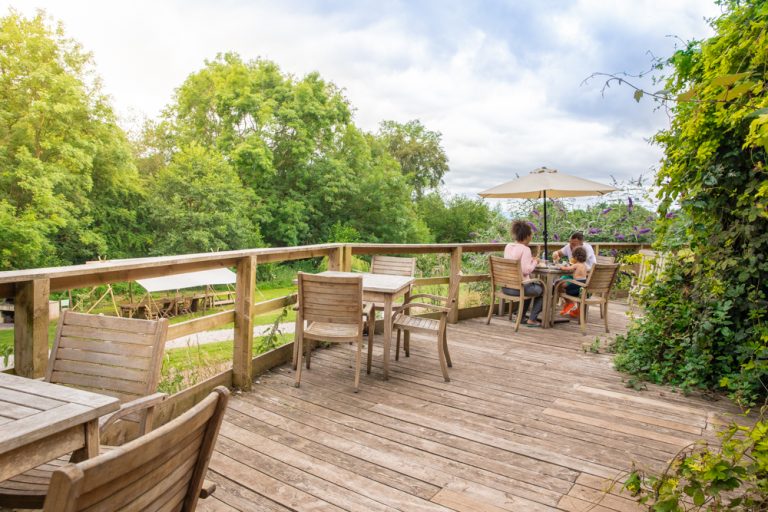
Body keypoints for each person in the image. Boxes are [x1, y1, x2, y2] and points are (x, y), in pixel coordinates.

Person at [503, 220, 544, 327]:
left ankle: (520, 317)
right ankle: (532, 319)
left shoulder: (508, 246)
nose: (531, 237)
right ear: (526, 236)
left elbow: (519, 264)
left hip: (506, 287)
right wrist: (535, 261)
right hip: (518, 288)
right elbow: (526, 270)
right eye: (531, 235)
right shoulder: (525, 249)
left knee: (530, 288)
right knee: (544, 289)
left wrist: (530, 260)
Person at [556, 246, 588, 317]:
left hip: (575, 287)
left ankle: (569, 302)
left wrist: (559, 266)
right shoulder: (585, 265)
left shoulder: (576, 265)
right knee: (562, 284)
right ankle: (576, 309)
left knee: (559, 285)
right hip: (583, 286)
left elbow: (566, 268)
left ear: (576, 257)